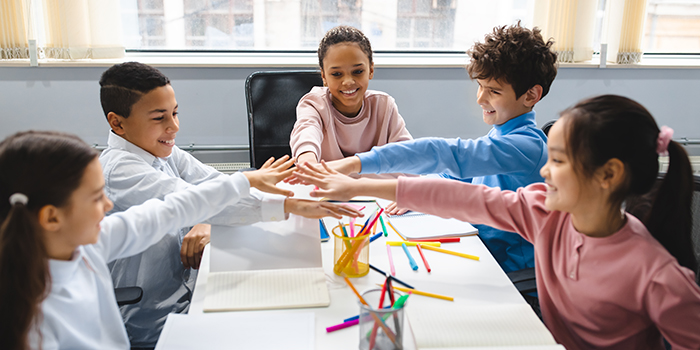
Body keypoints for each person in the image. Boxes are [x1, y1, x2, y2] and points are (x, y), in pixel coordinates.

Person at [294, 95, 700, 350]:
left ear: (607, 175)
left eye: (557, 162)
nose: (544, 173)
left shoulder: (657, 275)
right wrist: (363, 185)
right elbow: (467, 198)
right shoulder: (546, 214)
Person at [0, 131, 360, 350]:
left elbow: (171, 209)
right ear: (51, 217)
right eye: (96, 198)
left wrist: (247, 181)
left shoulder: (91, 245)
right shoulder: (33, 317)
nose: (108, 206)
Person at [98, 62, 356, 348]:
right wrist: (286, 205)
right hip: (153, 318)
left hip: (187, 289)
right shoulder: (119, 171)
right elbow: (192, 201)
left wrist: (281, 199)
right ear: (117, 123)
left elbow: (213, 185)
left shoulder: (163, 152)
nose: (174, 126)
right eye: (159, 118)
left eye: (175, 113)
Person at [321, 23, 557, 274]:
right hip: (483, 250)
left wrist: (356, 163)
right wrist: (416, 193)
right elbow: (459, 175)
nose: (480, 98)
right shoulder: (505, 131)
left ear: (531, 95)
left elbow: (446, 153)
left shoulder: (525, 146)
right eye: (480, 86)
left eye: (493, 91)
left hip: (511, 270)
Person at [289, 25, 413, 172]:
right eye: (336, 74)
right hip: (328, 192)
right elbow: (306, 134)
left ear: (371, 70)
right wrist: (307, 161)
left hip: (373, 191)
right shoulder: (314, 104)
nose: (348, 81)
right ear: (324, 76)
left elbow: (409, 158)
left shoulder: (385, 106)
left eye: (358, 71)